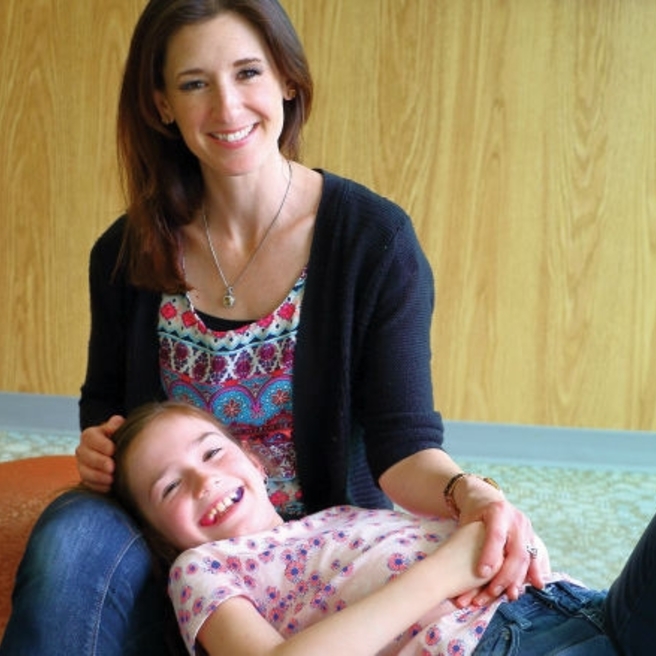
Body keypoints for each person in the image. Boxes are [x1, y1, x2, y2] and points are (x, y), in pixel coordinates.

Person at [1, 1, 546, 654]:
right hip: (189, 561)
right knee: (68, 536)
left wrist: (469, 493)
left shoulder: (372, 241)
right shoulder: (125, 251)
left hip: (322, 560)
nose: (228, 108)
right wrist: (99, 440)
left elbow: (403, 448)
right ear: (161, 105)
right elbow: (107, 406)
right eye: (195, 83)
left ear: (288, 79)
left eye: (249, 72)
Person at [110, 401, 653, 655]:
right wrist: (446, 571)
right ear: (158, 533)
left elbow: (487, 539)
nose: (203, 480)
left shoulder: (340, 516)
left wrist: (513, 537)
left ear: (254, 462)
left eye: (211, 453)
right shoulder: (200, 567)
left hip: (579, 604)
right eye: (170, 488)